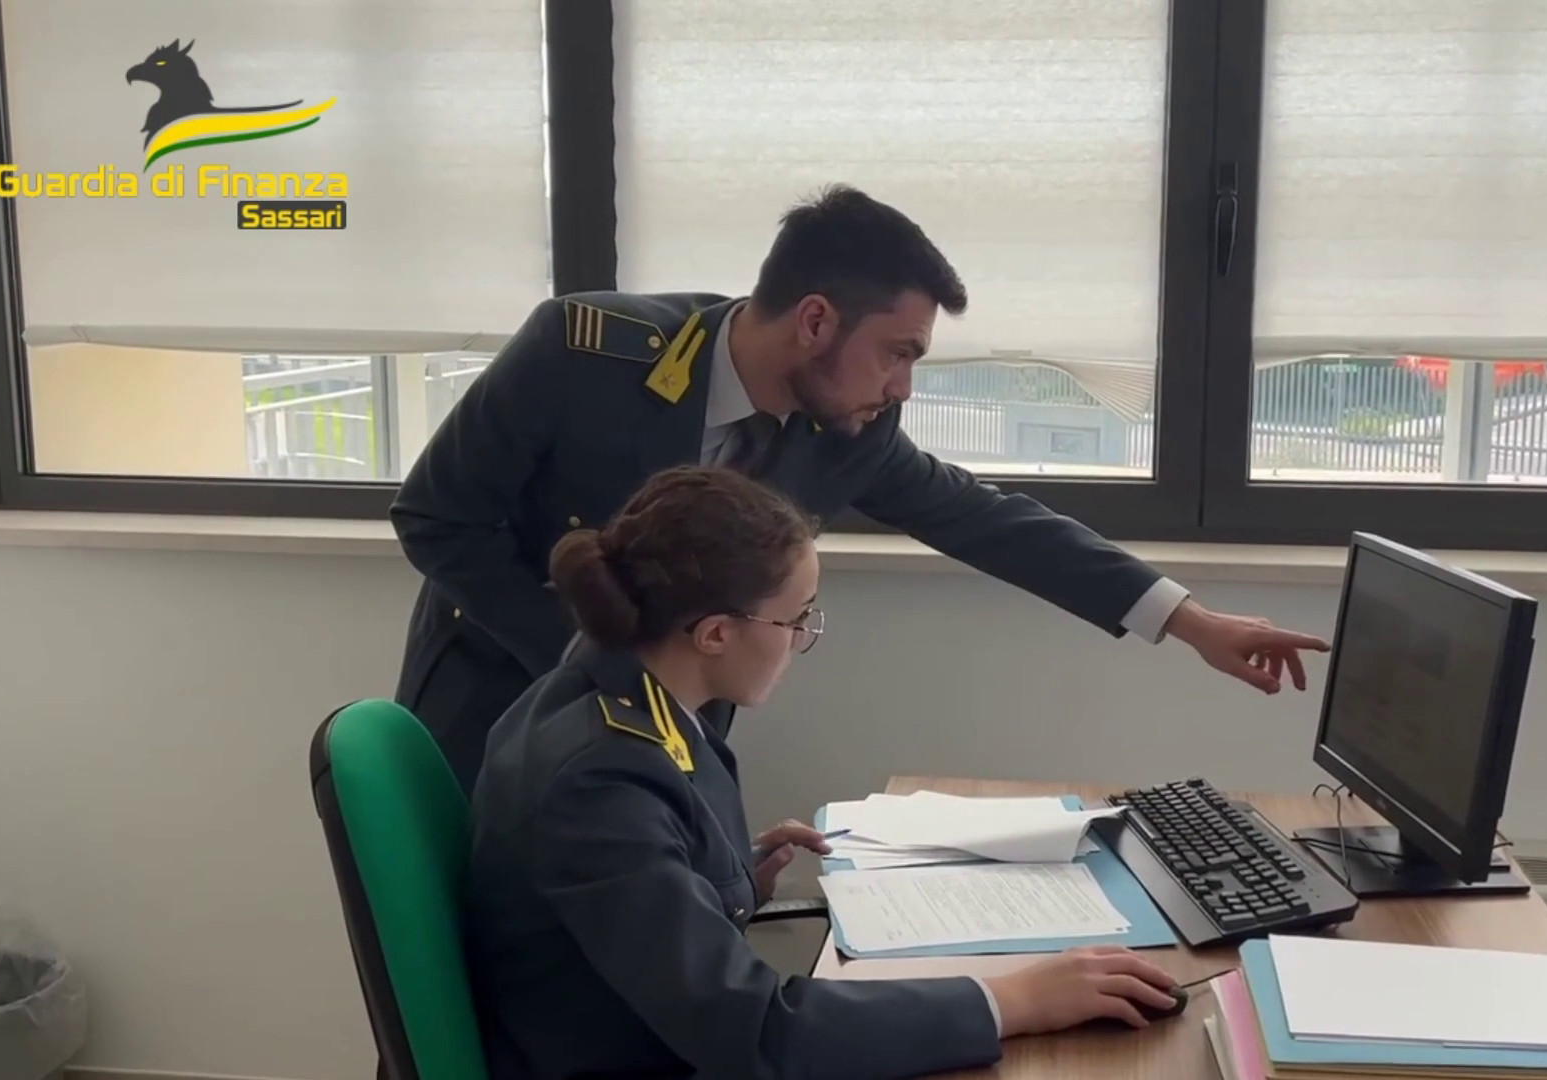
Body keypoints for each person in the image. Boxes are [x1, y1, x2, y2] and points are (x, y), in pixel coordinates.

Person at [392, 183, 1329, 794]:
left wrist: (1191, 622)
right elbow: (436, 517)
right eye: (898, 354)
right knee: (483, 985)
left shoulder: (848, 432)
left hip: (670, 747)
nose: (903, 388)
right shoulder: (584, 352)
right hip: (496, 710)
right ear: (814, 321)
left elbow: (989, 520)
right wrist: (592, 657)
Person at [466, 465, 1184, 1079]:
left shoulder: (597, 687)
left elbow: (620, 905)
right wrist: (1013, 1000)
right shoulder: (603, 781)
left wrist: (724, 878)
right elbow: (759, 1031)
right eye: (796, 619)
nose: (802, 638)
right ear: (714, 633)